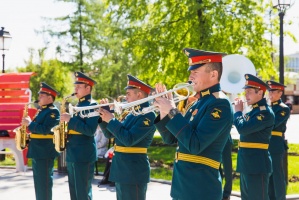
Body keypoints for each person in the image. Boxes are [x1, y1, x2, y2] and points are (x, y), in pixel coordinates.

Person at [153, 48, 234, 200]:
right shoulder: (198, 103)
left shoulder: (219, 103)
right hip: (182, 188)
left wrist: (172, 110)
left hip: (200, 190)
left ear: (213, 74)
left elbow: (195, 144)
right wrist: (164, 112)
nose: (190, 76)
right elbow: (170, 139)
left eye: (195, 72)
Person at [97, 74, 156, 200]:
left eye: (128, 94)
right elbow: (111, 134)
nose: (125, 97)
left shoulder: (148, 115)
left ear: (139, 95)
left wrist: (112, 120)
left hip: (133, 171)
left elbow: (129, 139)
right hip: (122, 170)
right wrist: (104, 117)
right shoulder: (130, 114)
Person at [233, 74, 275, 200]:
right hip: (247, 164)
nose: (246, 95)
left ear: (260, 92)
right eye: (245, 92)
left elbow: (243, 129)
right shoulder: (252, 112)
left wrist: (238, 112)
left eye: (249, 91)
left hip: (257, 166)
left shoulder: (264, 112)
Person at [60, 72, 99, 200]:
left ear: (88, 88)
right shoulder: (78, 105)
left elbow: (90, 130)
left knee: (83, 193)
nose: (75, 89)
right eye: (75, 86)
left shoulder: (92, 105)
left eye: (79, 86)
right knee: (74, 193)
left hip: (83, 154)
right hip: (73, 153)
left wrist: (70, 120)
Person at [22, 82, 60, 200]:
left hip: (45, 152)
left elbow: (45, 130)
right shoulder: (42, 110)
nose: (38, 98)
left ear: (50, 98)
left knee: (44, 183)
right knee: (39, 184)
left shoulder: (53, 111)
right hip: (38, 151)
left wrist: (30, 123)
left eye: (41, 95)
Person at [266, 80, 290, 200]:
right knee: (269, 175)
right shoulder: (268, 108)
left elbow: (273, 124)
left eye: (273, 91)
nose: (270, 94)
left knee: (277, 175)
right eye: (269, 91)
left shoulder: (283, 108)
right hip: (266, 144)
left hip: (275, 144)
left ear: (280, 93)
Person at [221, 135, 233, 200]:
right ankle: (218, 191)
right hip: (214, 139)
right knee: (216, 168)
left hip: (225, 140)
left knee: (227, 168)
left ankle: (226, 194)